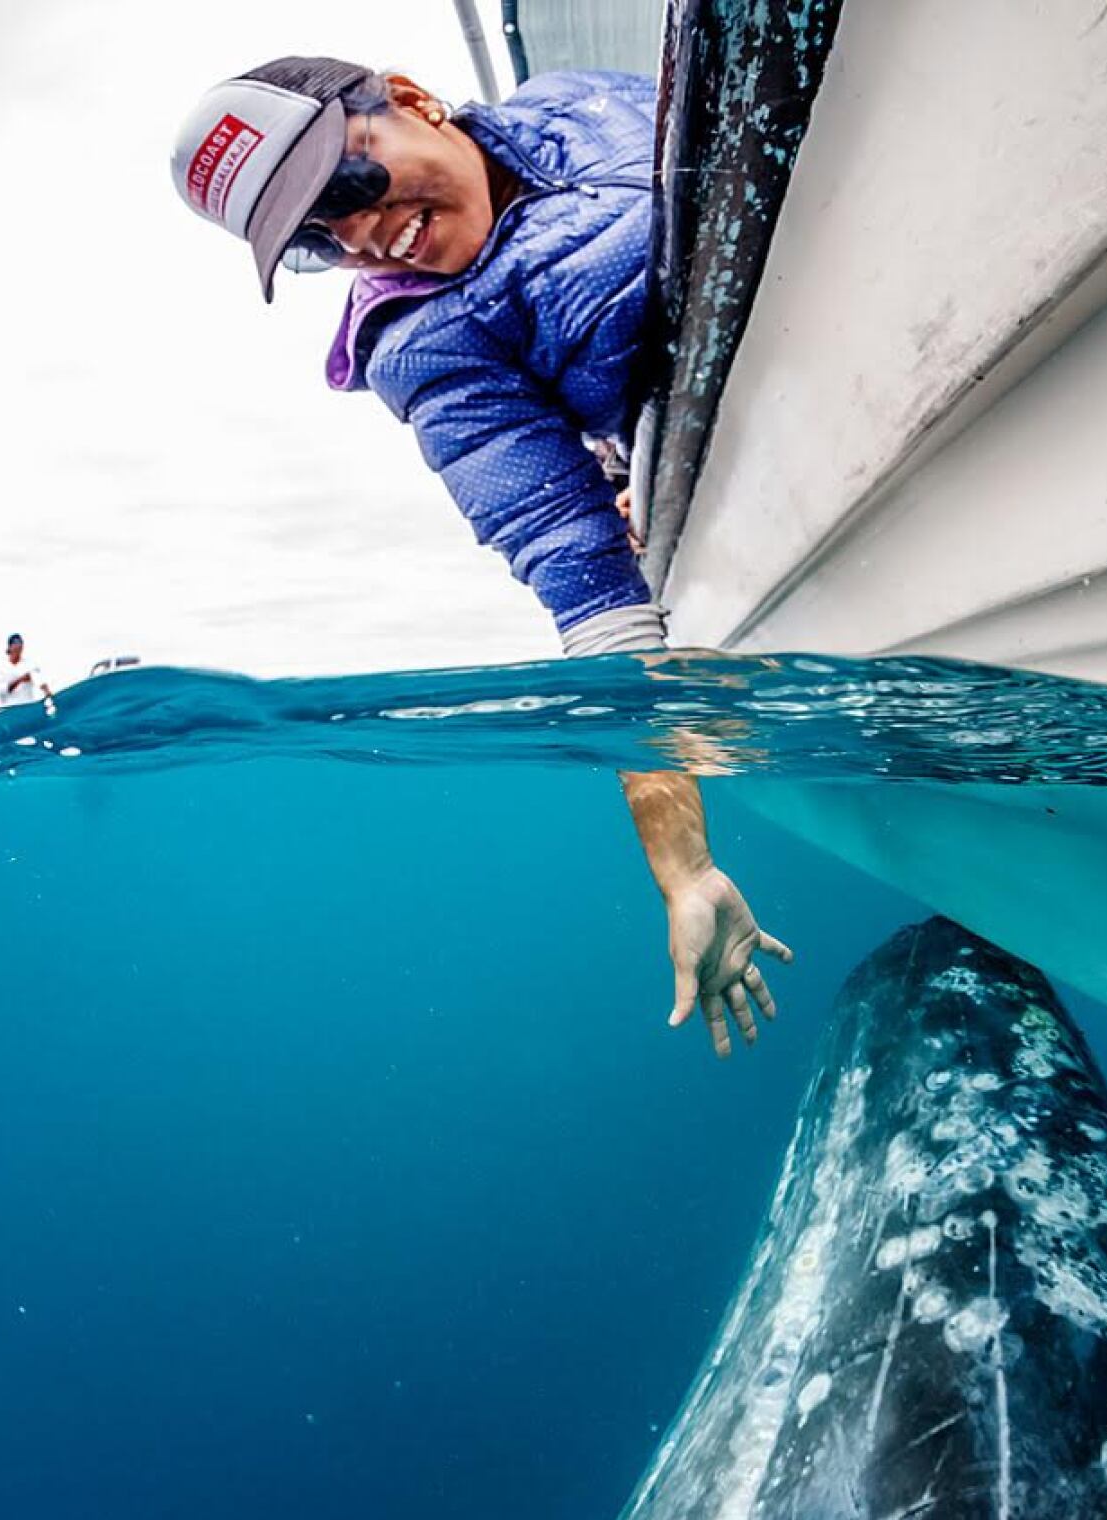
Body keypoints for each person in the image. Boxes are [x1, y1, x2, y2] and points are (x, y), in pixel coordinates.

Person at [171, 57, 791, 1055]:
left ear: (410, 97)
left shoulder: (582, 98)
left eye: (344, 185)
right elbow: (595, 602)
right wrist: (682, 867)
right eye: (318, 242)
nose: (362, 234)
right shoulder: (426, 347)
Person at [0, 634, 53, 708]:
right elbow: (1, 691)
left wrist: (47, 692)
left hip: (27, 707)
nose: (18, 645)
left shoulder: (30, 664)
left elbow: (40, 680)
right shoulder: (0, 668)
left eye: (20, 643)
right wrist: (20, 680)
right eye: (15, 643)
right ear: (9, 647)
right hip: (9, 710)